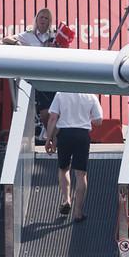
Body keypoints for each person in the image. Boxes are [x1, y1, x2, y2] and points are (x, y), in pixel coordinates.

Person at [5, 6, 60, 143]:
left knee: (55, 112)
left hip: (51, 77)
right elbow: (6, 39)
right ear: (36, 19)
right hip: (37, 77)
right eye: (41, 17)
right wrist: (18, 43)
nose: (43, 20)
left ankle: (55, 140)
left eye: (46, 18)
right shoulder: (28, 35)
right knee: (44, 112)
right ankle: (52, 138)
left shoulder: (53, 35)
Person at [45, 89, 101, 222]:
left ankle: (66, 200)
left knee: (64, 169)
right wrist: (85, 117)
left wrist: (48, 139)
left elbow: (53, 117)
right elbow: (99, 121)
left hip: (65, 134)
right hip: (82, 134)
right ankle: (78, 213)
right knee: (81, 174)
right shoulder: (90, 95)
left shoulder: (60, 94)